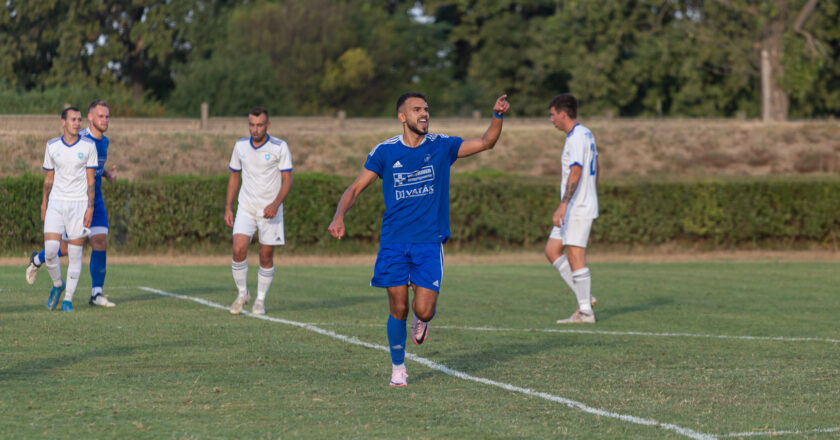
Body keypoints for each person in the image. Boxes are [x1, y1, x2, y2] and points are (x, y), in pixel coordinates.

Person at [328, 92, 510, 387]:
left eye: (426, 109)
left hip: (428, 241)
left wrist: (497, 115)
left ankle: (422, 319)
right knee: (398, 307)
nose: (424, 114)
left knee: (422, 309)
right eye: (416, 110)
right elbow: (355, 188)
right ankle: (398, 367)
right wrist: (339, 215)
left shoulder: (442, 146)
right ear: (402, 117)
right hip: (394, 241)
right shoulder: (384, 152)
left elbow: (486, 141)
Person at [26, 99, 117, 308]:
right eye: (101, 116)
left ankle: (96, 294)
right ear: (91, 118)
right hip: (73, 202)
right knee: (65, 248)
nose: (106, 120)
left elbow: (92, 172)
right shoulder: (80, 138)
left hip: (95, 200)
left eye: (108, 116)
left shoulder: (104, 141)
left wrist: (108, 175)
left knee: (100, 241)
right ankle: (38, 260)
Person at [225, 107, 293, 316]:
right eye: (252, 125)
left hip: (269, 211)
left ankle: (260, 300)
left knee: (266, 255)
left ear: (267, 125)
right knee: (238, 249)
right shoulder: (240, 145)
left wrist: (275, 204)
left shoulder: (279, 147)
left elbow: (288, 180)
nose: (255, 129)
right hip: (246, 207)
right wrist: (228, 206)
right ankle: (242, 293)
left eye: (260, 125)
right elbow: (234, 176)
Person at [543, 93, 600, 324]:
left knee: (576, 255)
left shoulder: (576, 137)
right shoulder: (586, 133)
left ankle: (585, 311)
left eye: (552, 114)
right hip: (579, 203)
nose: (551, 119)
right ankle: (584, 296)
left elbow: (576, 171)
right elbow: (597, 165)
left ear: (563, 114)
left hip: (576, 207)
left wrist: (564, 204)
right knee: (552, 251)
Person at [40, 107, 98, 312]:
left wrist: (90, 207)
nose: (77, 123)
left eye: (79, 119)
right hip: (56, 202)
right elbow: (48, 179)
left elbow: (91, 181)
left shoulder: (89, 146)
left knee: (74, 253)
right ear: (63, 122)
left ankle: (68, 300)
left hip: (79, 204)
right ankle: (58, 284)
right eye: (73, 119)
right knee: (50, 251)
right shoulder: (52, 146)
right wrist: (44, 203)